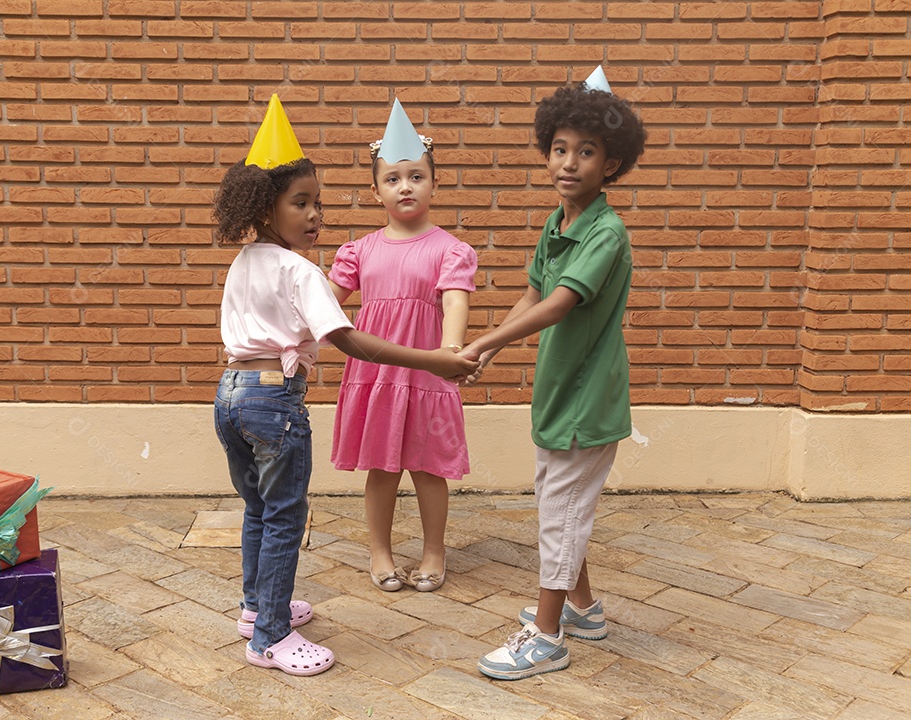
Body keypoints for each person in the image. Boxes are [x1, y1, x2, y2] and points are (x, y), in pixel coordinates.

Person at [212, 94, 477, 677]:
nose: (314, 216)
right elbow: (349, 338)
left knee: (257, 508)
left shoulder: (242, 262)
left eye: (318, 205)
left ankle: (255, 610)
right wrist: (434, 359)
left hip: (230, 393)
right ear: (265, 208)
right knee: (284, 515)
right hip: (272, 401)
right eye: (301, 204)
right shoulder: (302, 269)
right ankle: (271, 640)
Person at [462, 67, 647, 680]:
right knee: (559, 503)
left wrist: (486, 339)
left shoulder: (606, 232)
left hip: (587, 402)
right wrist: (488, 348)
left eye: (586, 151)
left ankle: (546, 636)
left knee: (559, 512)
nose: (569, 163)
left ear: (612, 163)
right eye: (560, 149)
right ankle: (583, 609)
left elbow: (561, 302)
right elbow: (535, 291)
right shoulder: (558, 220)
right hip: (558, 395)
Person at [328, 100, 478, 594]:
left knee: (429, 466)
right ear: (375, 191)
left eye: (416, 176)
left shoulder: (450, 249)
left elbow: (455, 302)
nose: (405, 186)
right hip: (376, 375)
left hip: (428, 372)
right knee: (381, 466)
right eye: (393, 179)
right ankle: (381, 552)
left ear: (433, 184)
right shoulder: (359, 250)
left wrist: (452, 352)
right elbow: (325, 305)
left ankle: (434, 551)